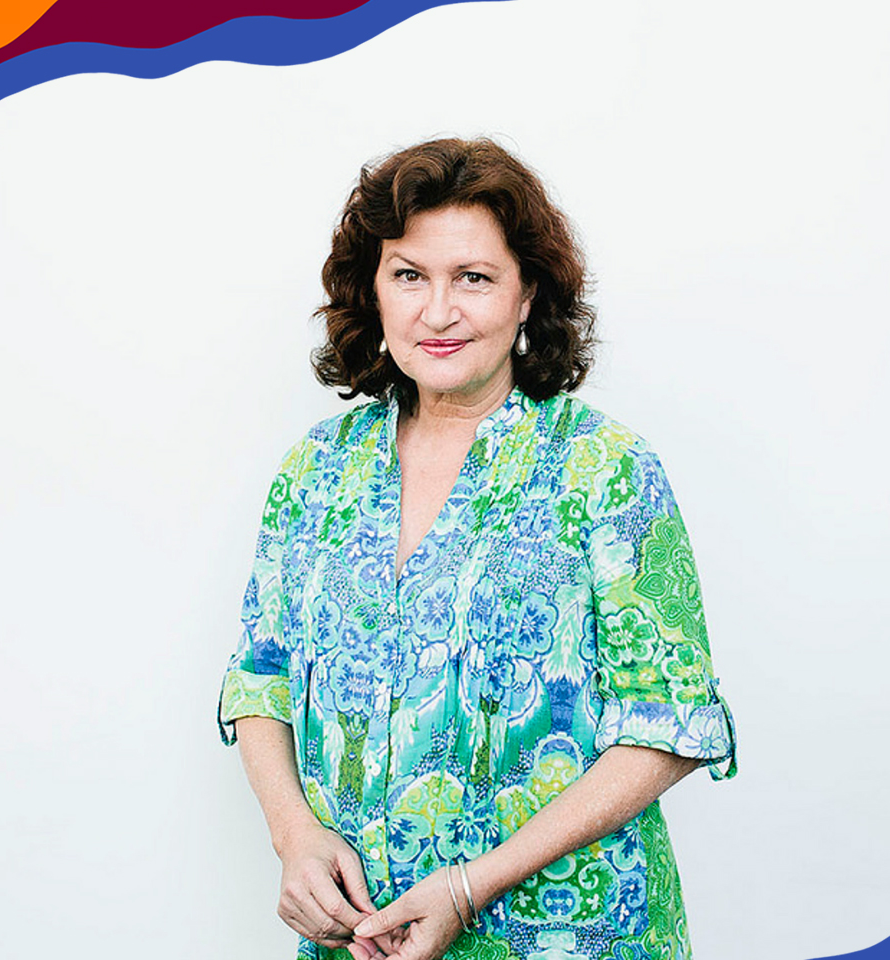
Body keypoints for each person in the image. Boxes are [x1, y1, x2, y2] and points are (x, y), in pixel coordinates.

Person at [217, 137, 738, 960]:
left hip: (568, 936)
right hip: (359, 939)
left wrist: (471, 885)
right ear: (374, 288)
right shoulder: (316, 470)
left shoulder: (604, 470)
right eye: (409, 275)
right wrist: (295, 839)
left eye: (475, 278)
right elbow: (259, 680)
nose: (437, 311)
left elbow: (670, 723)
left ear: (528, 294)